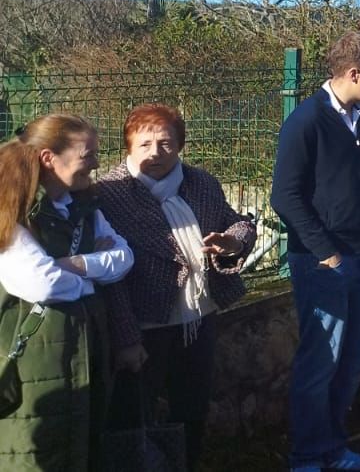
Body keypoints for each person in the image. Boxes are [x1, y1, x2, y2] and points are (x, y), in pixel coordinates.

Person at [98, 104, 257, 470]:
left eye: (166, 143)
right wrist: (126, 337)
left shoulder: (201, 183)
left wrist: (233, 242)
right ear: (128, 146)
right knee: (135, 418)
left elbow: (238, 223)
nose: (155, 153)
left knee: (192, 408)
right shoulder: (109, 193)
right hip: (144, 325)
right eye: (145, 144)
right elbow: (111, 279)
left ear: (181, 145)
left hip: (198, 318)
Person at [270, 32, 360, 472]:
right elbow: (284, 196)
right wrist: (328, 254)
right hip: (323, 263)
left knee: (350, 362)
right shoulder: (305, 121)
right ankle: (305, 457)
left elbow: (358, 184)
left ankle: (334, 450)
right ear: (354, 73)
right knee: (320, 363)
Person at [0, 118, 133, 470]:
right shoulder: (10, 210)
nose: (96, 164)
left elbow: (123, 258)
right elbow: (40, 283)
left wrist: (71, 263)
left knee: (81, 450)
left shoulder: (83, 207)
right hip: (32, 363)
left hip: (82, 354)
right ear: (48, 158)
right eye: (87, 155)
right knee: (32, 455)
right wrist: (92, 272)